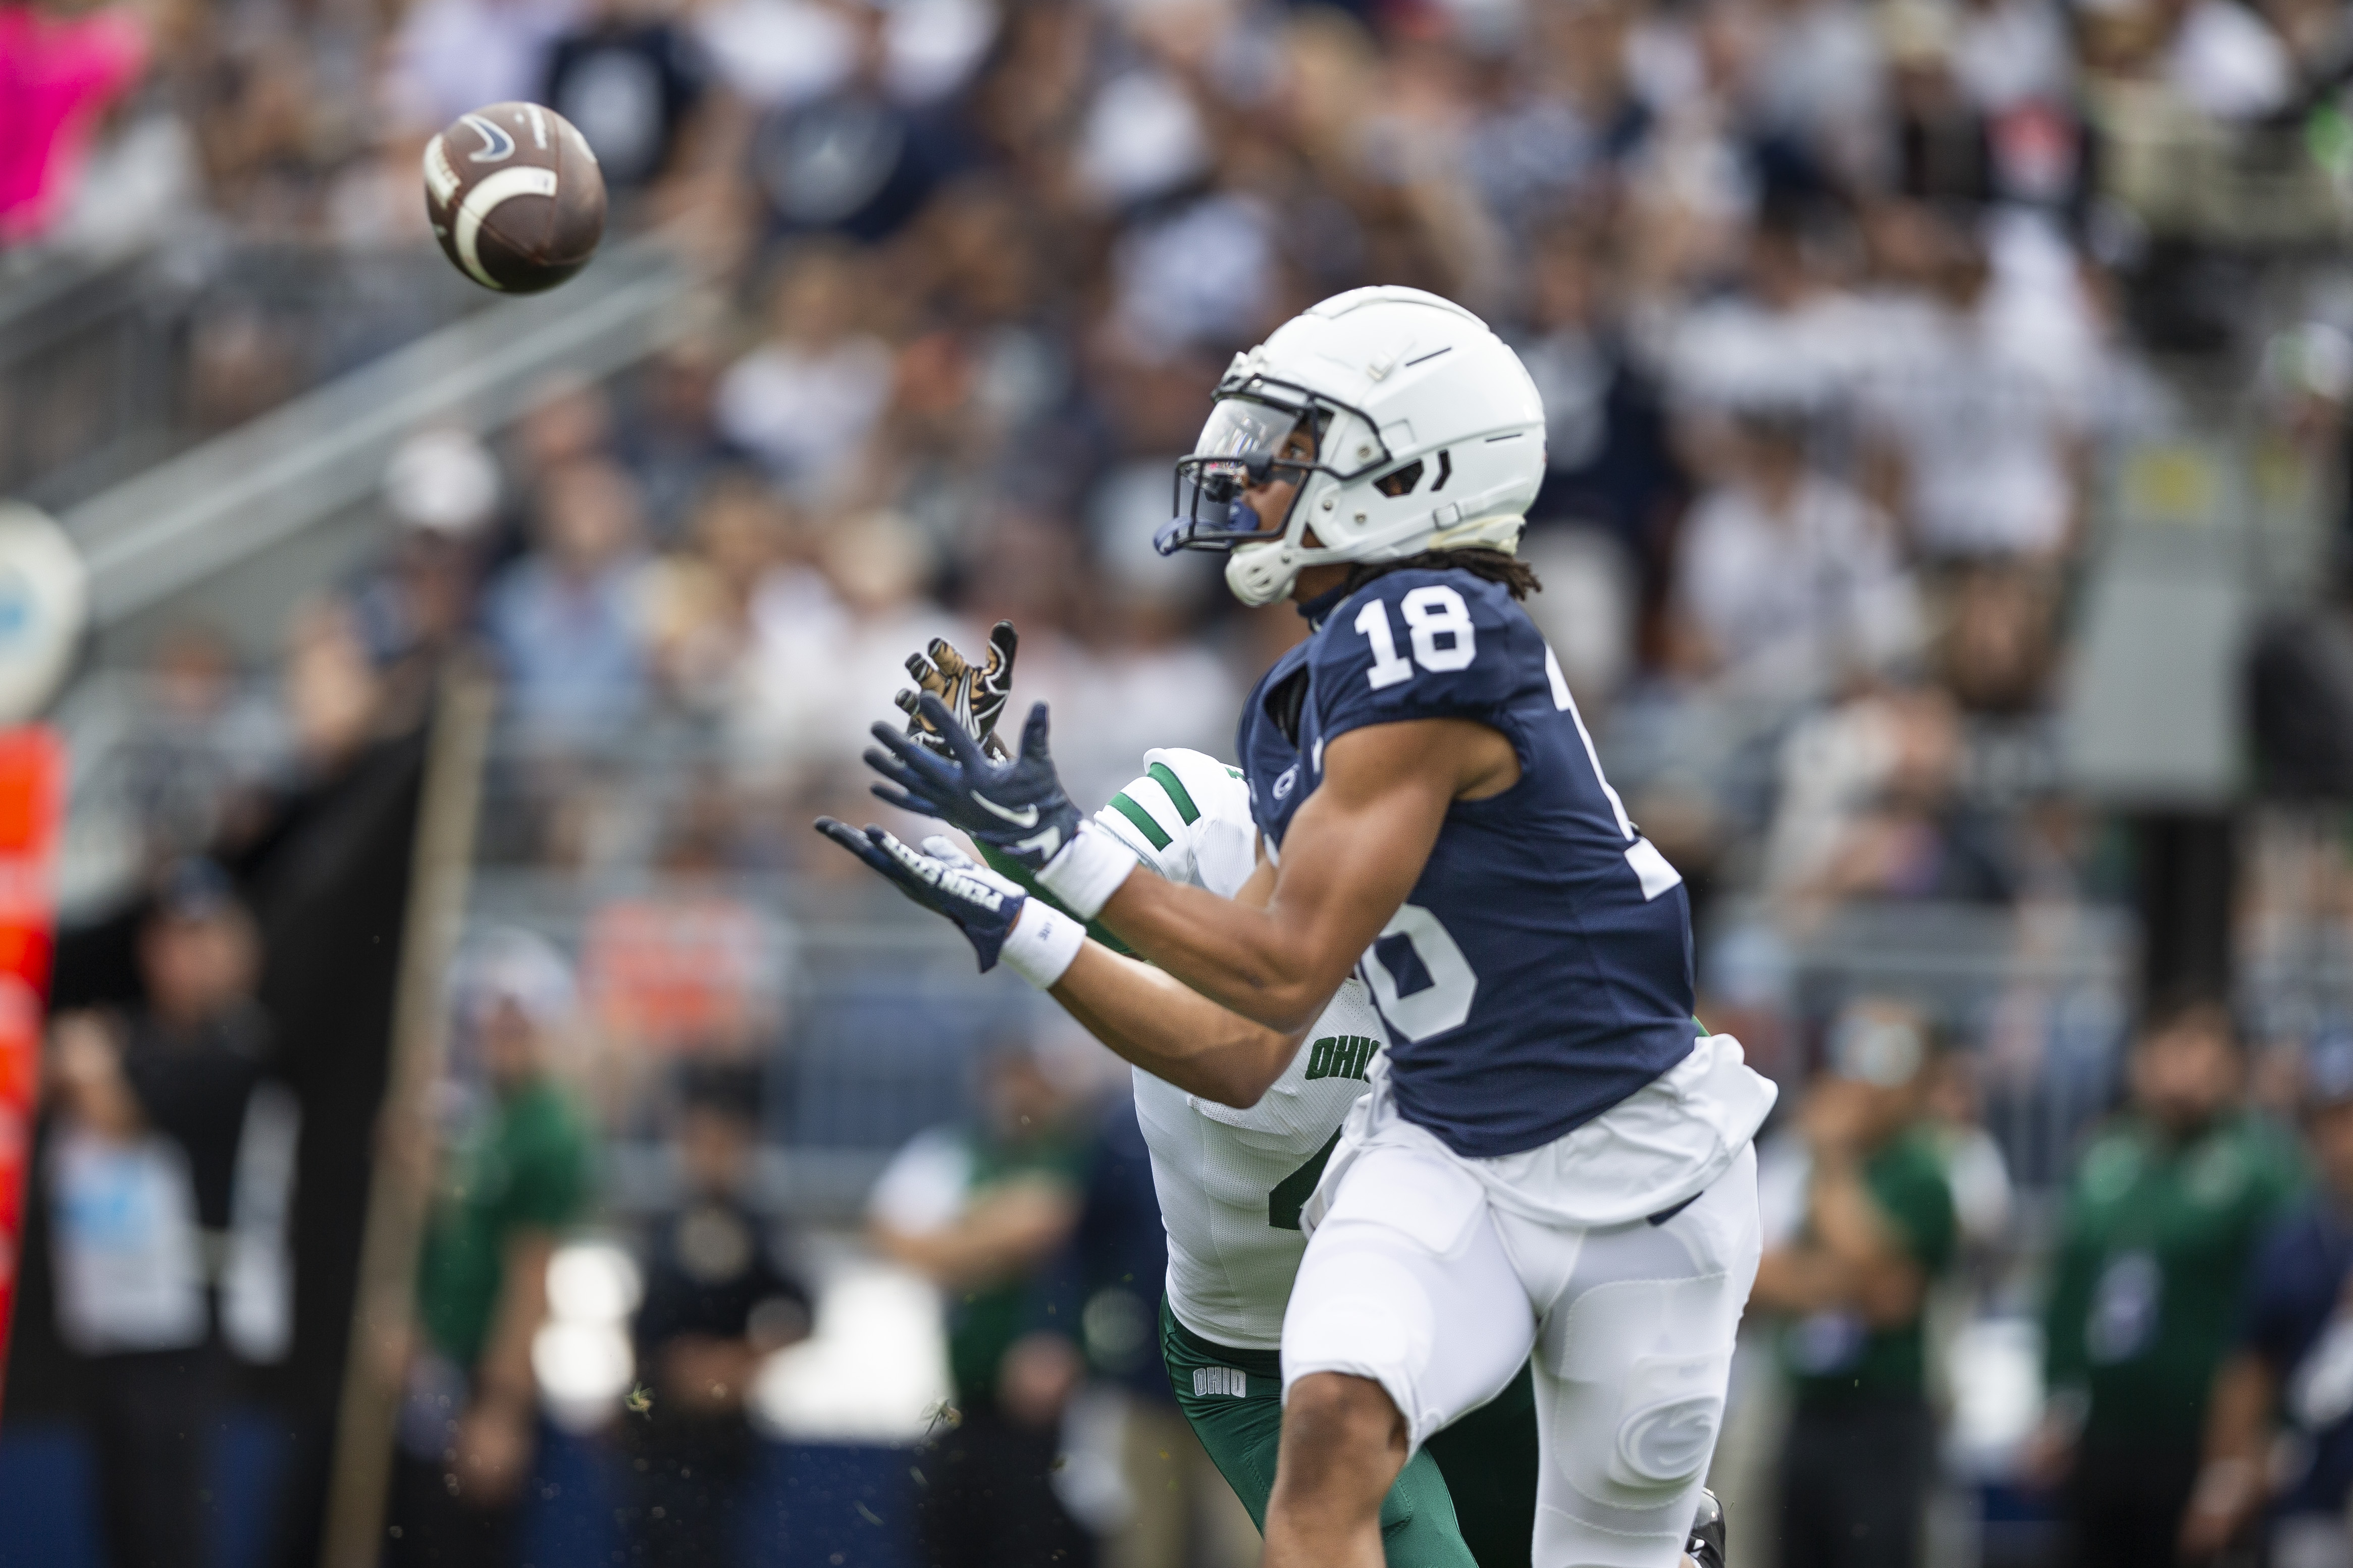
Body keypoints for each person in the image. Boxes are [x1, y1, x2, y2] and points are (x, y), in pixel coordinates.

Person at [823, 285, 1774, 1568]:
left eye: (1297, 443)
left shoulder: (1429, 632)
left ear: (1410, 472)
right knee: (1326, 1434)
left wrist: (1056, 852)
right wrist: (1026, 911)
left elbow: (1280, 966)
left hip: (1636, 1169)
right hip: (1445, 1143)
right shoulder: (1307, 686)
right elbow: (1243, 1037)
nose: (1254, 473)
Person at [893, 630, 1539, 1568]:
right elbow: (1065, 886)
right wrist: (988, 817)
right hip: (1258, 1348)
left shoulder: (1482, 894)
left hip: (1449, 1308)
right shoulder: (1202, 817)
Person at [44, 858, 293, 1568]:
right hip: (113, 1312)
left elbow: (115, 1108)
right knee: (121, 1510)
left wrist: (89, 1068)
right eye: (176, 937)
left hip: (191, 1321)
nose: (190, 955)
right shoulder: (140, 1034)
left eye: (207, 937)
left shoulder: (240, 1046)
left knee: (173, 1518)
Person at [2026, 996, 2303, 1568]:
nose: (2183, 1069)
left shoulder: (2262, 1171)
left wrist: (2256, 1441)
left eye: (2200, 1050)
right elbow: (2068, 1286)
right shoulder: (2106, 1156)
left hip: (2202, 1434)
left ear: (2231, 1064)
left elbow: (2285, 1307)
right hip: (2104, 1429)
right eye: (2168, 1049)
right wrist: (2054, 1395)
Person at [388, 930, 594, 1568]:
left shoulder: (549, 1129)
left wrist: (499, 1409)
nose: (501, 1033)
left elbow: (531, 1274)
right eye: (492, 1017)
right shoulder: (478, 1117)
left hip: (483, 1374)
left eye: (518, 1021)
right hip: (437, 1365)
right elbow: (445, 1232)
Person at [867, 1034, 1099, 1568]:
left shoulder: (1074, 1154)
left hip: (1054, 1407)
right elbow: (892, 1236)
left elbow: (1047, 1216)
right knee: (951, 1523)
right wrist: (992, 1242)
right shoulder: (953, 1150)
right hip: (963, 1395)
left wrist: (959, 1238)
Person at [1749, 999, 1957, 1568]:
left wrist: (1835, 1161)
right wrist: (1837, 1279)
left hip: (1882, 1412)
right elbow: (1759, 1277)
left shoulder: (1921, 1173)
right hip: (1808, 1403)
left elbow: (1886, 1293)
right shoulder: (1799, 1163)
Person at [623, 1062, 812, 1568]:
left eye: (720, 1141)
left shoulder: (758, 1226)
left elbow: (802, 1311)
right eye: (697, 1140)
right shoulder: (662, 1220)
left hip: (721, 1438)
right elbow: (639, 1323)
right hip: (656, 1431)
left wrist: (736, 1361)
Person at [2181, 1032, 2353, 1566]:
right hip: (2314, 1496)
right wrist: (2222, 1478)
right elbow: (2249, 1369)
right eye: (2333, 1120)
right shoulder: (2290, 1245)